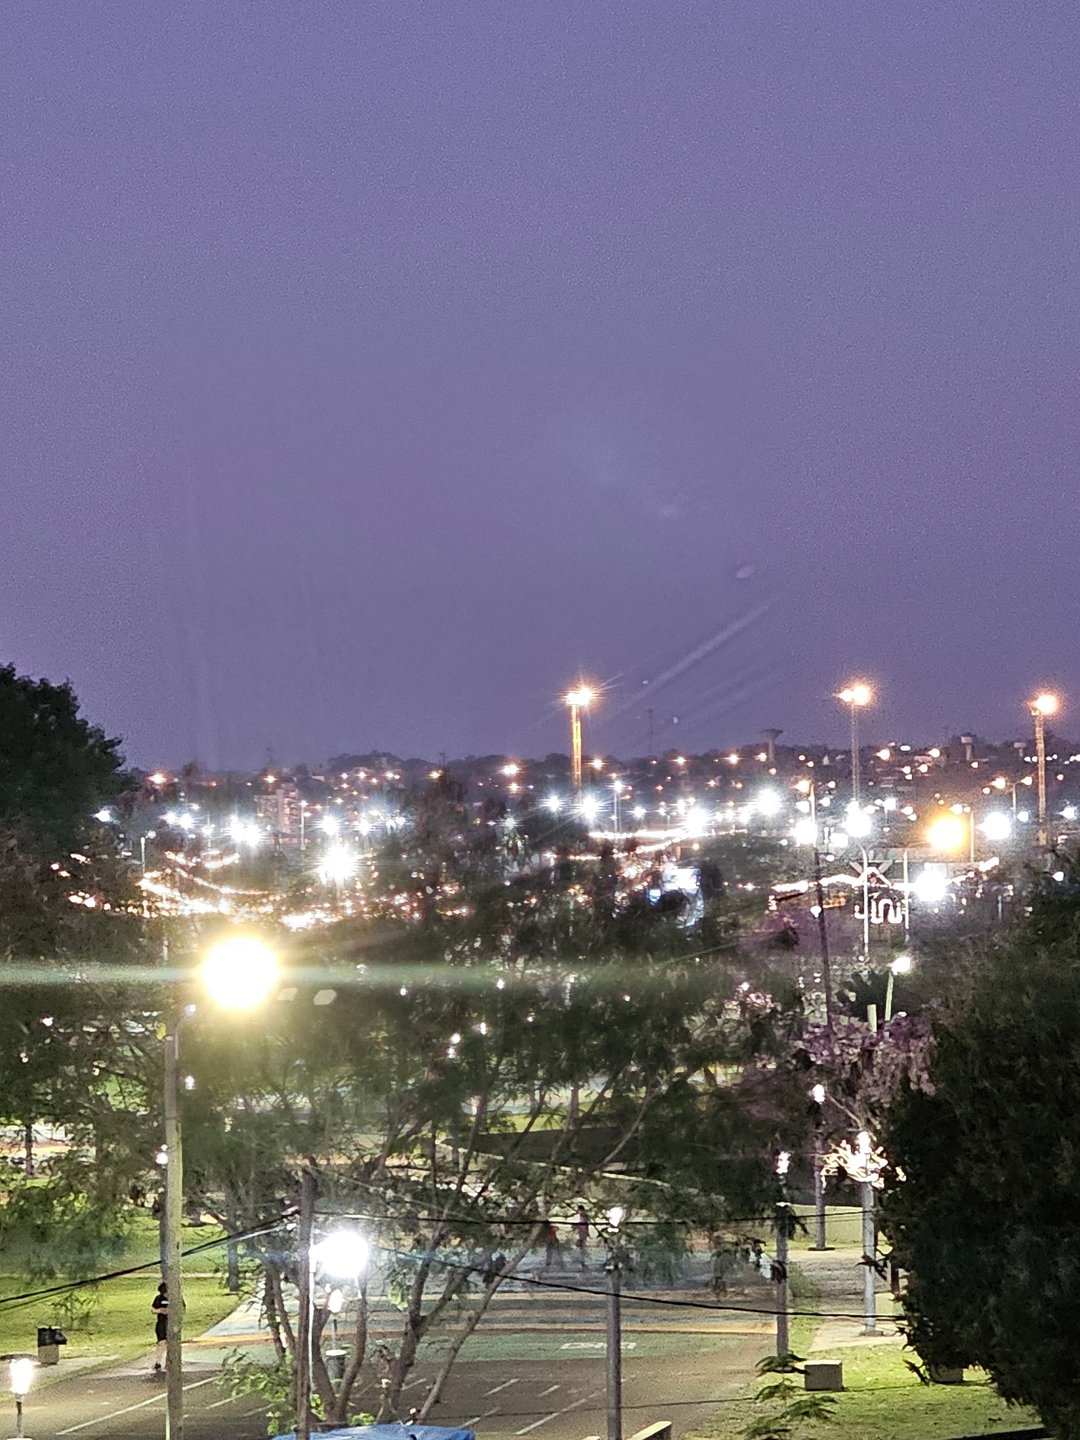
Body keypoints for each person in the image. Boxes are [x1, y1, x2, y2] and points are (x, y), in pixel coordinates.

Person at [151, 1282, 168, 1372]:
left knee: (171, 1343)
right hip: (162, 1323)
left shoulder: (176, 1298)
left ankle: (169, 1361)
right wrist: (160, 1310)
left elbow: (182, 1309)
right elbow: (153, 1309)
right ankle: (158, 1361)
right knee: (162, 1342)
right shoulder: (158, 1298)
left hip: (173, 1324)